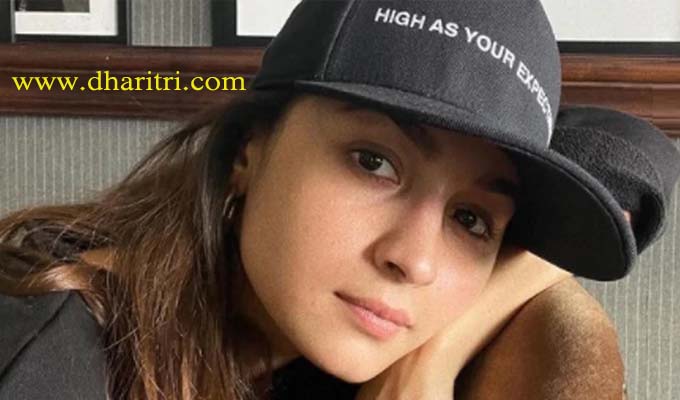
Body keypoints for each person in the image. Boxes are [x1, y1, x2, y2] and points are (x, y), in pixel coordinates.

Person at [0, 2, 637, 399]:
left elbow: (636, 167)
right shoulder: (44, 361)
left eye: (471, 219)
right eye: (374, 162)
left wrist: (431, 359)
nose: (415, 261)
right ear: (248, 149)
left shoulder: (302, 344)